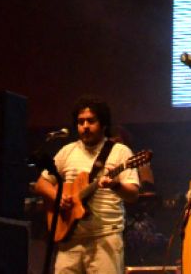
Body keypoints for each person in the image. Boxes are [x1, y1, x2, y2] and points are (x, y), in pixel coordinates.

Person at [33, 95, 140, 274]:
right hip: (69, 239)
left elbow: (133, 195)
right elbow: (41, 184)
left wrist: (115, 185)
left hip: (105, 237)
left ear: (103, 124)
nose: (85, 126)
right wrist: (57, 198)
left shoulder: (120, 152)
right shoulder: (67, 152)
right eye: (81, 122)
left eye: (91, 121)